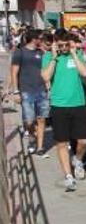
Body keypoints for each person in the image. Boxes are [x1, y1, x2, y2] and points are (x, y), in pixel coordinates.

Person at [42, 30, 86, 192]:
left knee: (83, 141)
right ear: (56, 43)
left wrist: (74, 54)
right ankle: (68, 176)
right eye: (60, 45)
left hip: (78, 104)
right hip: (59, 105)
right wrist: (54, 57)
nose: (63, 48)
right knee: (62, 143)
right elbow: (46, 77)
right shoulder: (49, 57)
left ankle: (77, 160)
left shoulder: (77, 54)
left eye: (66, 45)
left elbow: (85, 72)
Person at [11, 28, 49, 156]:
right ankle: (32, 136)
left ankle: (40, 146)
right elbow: (14, 72)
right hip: (26, 90)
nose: (42, 40)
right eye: (40, 38)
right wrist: (16, 91)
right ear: (34, 39)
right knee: (29, 121)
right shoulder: (20, 52)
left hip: (41, 90)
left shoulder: (42, 52)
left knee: (42, 119)